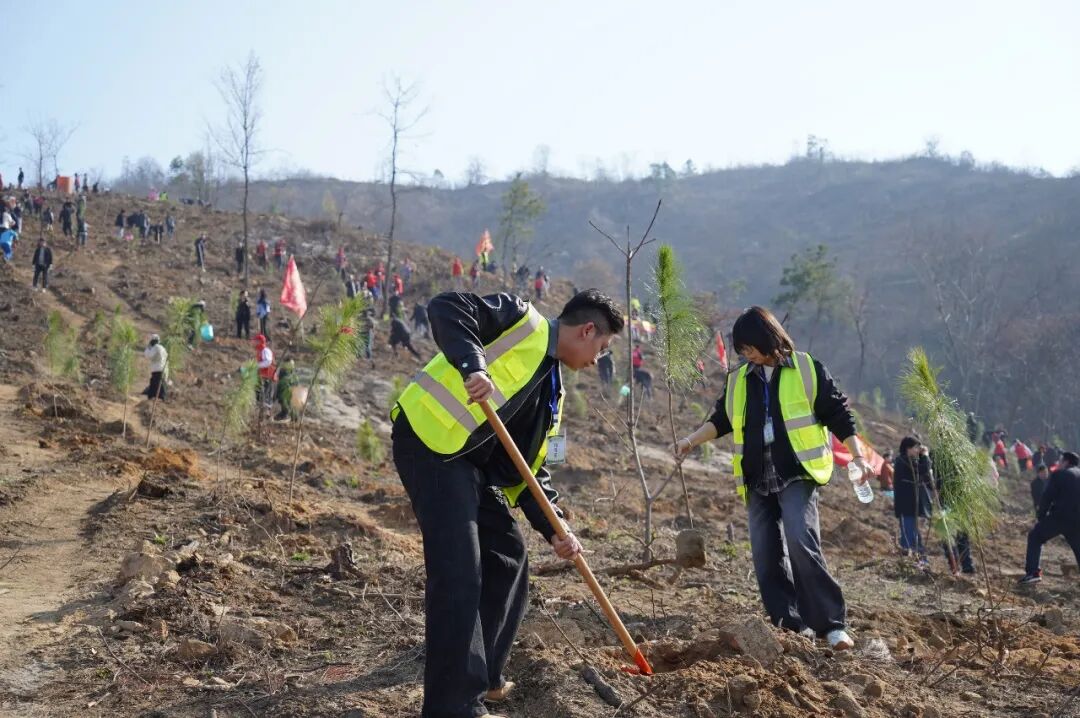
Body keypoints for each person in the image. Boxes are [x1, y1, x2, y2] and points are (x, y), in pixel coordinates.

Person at [391, 288, 622, 717]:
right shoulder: (520, 319)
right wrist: (473, 366)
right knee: (460, 572)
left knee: (508, 556)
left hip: (469, 466)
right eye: (602, 347)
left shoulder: (552, 392)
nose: (597, 360)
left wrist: (555, 528)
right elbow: (445, 307)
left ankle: (485, 676)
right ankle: (454, 707)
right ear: (587, 330)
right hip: (429, 444)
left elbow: (528, 470)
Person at [675, 306, 867, 650]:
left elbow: (839, 414)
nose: (746, 355)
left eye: (750, 347)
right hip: (756, 477)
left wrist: (858, 455)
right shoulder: (739, 379)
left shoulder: (806, 369)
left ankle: (831, 626)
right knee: (766, 553)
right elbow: (722, 420)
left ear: (768, 338)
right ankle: (789, 624)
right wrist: (691, 441)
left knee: (800, 539)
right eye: (742, 350)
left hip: (797, 471)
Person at [1019, 451, 1080, 584]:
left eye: (1060, 460)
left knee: (1035, 536)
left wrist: (1041, 517)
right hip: (1077, 520)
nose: (1058, 463)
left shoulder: (1060, 474)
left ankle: (1033, 573)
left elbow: (1047, 497)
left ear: (1066, 462)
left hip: (1060, 517)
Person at [892, 437, 933, 564]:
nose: (917, 450)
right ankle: (911, 561)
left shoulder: (907, 461)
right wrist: (925, 456)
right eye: (915, 448)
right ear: (908, 449)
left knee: (913, 534)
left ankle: (919, 561)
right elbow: (922, 469)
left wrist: (922, 457)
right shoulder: (902, 461)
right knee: (909, 535)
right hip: (906, 506)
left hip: (910, 506)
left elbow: (922, 471)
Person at [142, 335, 168, 400]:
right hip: (162, 369)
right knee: (156, 383)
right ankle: (154, 397)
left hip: (157, 369)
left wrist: (148, 347)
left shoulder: (156, 347)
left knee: (158, 384)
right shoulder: (163, 348)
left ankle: (161, 398)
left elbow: (148, 355)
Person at [254, 334, 276, 405]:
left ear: (259, 342)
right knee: (259, 393)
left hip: (267, 376)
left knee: (266, 395)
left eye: (256, 341)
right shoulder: (260, 351)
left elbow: (268, 362)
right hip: (262, 376)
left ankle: (266, 408)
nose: (254, 343)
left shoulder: (265, 350)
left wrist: (256, 365)